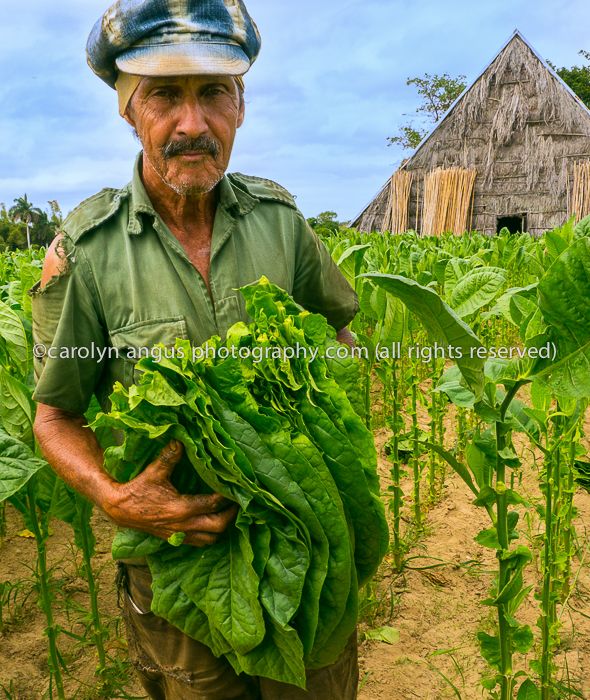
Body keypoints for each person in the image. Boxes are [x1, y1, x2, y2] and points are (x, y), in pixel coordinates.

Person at [31, 1, 360, 698]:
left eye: (213, 92)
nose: (192, 124)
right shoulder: (84, 252)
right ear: (127, 109)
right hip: (178, 564)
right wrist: (115, 497)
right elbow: (54, 418)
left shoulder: (282, 223)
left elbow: (339, 331)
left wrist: (328, 423)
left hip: (303, 545)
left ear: (240, 104)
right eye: (164, 96)